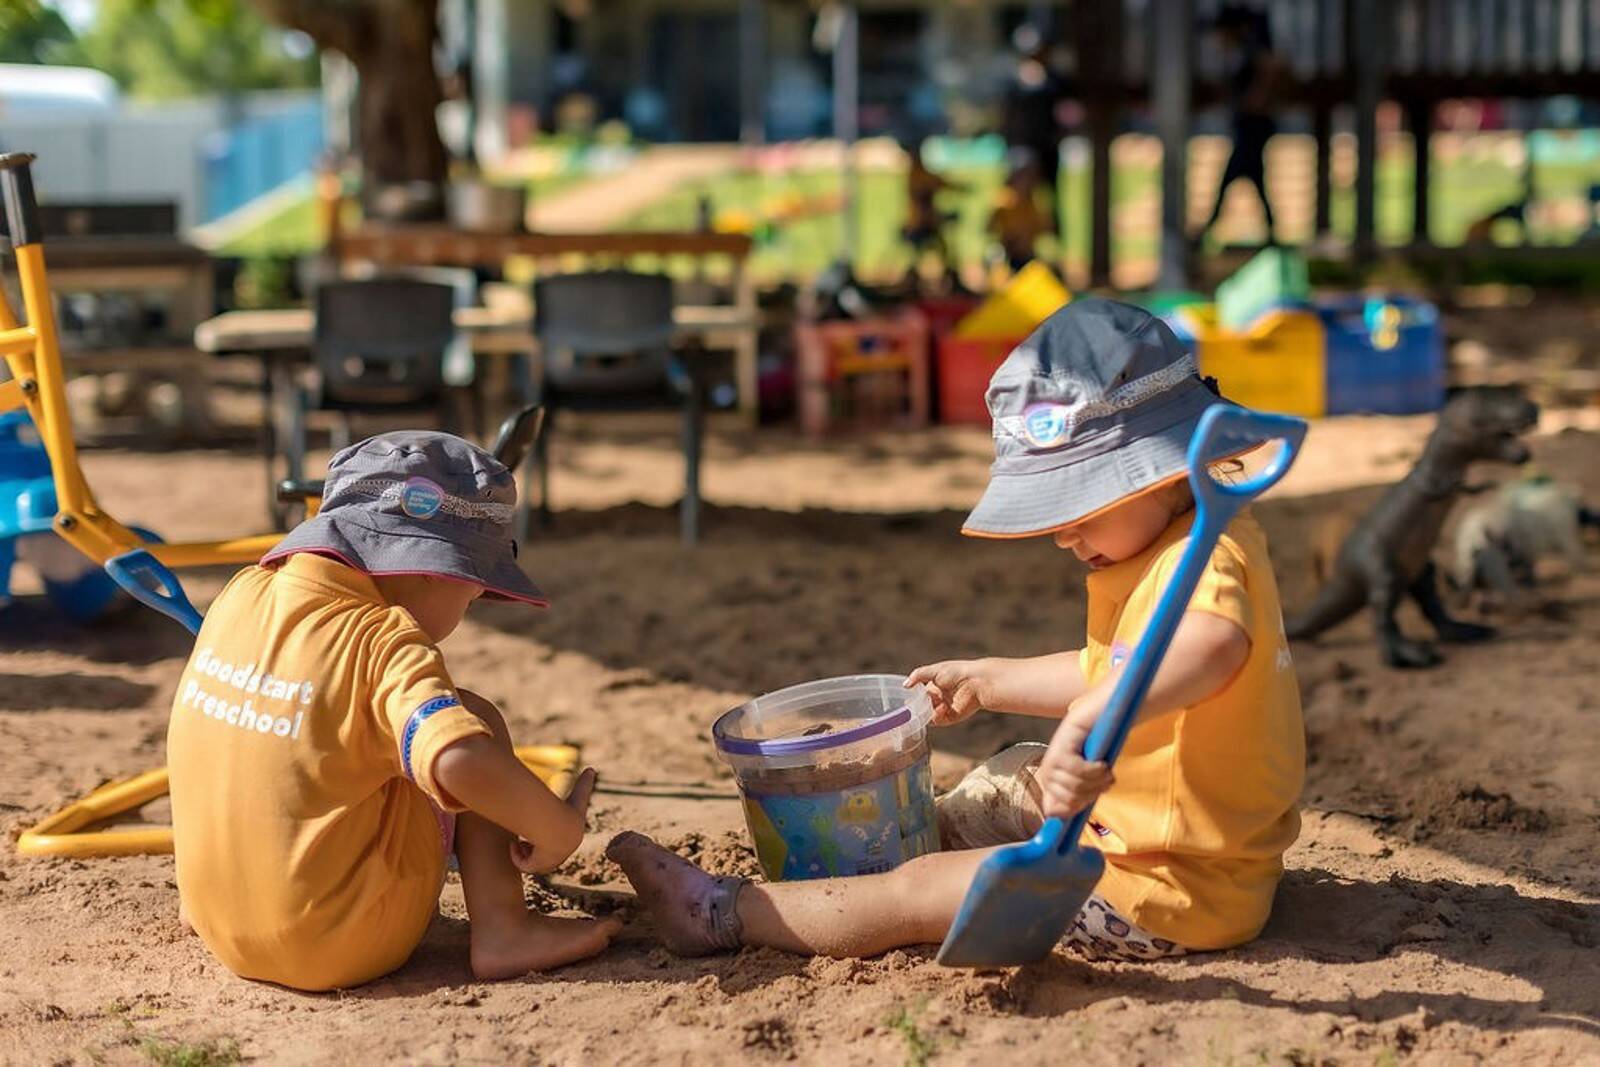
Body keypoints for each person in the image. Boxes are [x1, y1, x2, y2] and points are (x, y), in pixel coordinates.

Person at [608, 299, 1304, 963]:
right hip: (1172, 837)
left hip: (1169, 892)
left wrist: (1091, 717)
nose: (1062, 534)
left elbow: (1212, 648)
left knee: (916, 892)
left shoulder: (1205, 554)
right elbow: (1114, 666)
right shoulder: (1169, 539)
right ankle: (910, 845)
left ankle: (721, 912)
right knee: (1012, 770)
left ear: (1157, 467)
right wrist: (992, 678)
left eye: (1078, 505)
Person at [167, 432, 620, 991]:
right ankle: (506, 930)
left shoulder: (241, 593)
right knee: (472, 719)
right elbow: (460, 759)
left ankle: (212, 898)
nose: (467, 610)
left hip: (219, 927)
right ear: (437, 569)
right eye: (473, 594)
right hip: (342, 944)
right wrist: (557, 829)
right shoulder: (385, 640)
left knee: (242, 733)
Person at [1196, 6, 1284, 247]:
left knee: (1233, 176)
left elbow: (1272, 67)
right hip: (1247, 125)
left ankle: (1206, 231)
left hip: (1254, 126)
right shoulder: (1236, 53)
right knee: (1254, 178)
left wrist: (1254, 99)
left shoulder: (1251, 49)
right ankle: (1272, 236)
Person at [989, 154, 1055, 274]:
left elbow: (1045, 228)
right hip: (1007, 249)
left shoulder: (1037, 200)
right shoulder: (1003, 200)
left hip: (1028, 250)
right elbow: (992, 228)